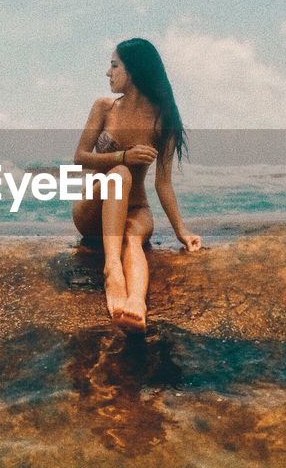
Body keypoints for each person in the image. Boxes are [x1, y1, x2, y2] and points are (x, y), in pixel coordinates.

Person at [72, 38, 202, 331]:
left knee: (133, 240)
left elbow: (163, 183)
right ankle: (112, 271)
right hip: (94, 209)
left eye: (114, 65)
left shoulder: (162, 119)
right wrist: (124, 156)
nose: (108, 72)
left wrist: (182, 231)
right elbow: (80, 158)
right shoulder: (104, 108)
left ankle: (136, 305)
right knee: (121, 173)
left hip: (136, 209)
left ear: (134, 72)